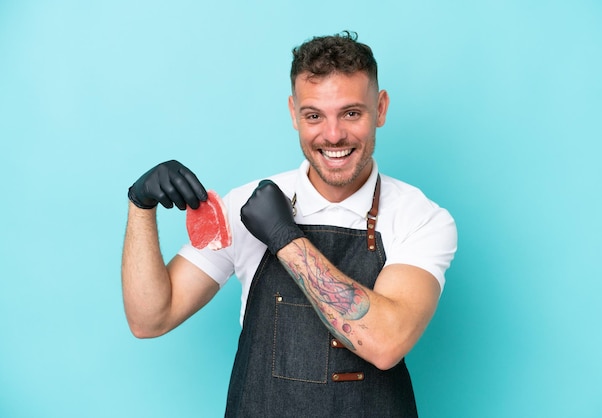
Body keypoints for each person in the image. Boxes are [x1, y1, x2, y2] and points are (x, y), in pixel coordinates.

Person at [122, 31, 457, 417]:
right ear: (293, 112)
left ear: (380, 109)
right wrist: (140, 206)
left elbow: (385, 342)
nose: (333, 135)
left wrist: (284, 236)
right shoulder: (243, 205)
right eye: (314, 115)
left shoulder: (421, 218)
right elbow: (150, 319)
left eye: (351, 113)